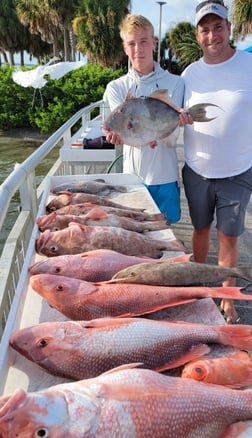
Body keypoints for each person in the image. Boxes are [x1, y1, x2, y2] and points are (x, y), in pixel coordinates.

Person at [181, 0, 252, 323]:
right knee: (199, 229)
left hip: (238, 170)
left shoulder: (248, 66)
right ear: (198, 35)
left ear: (229, 28)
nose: (213, 35)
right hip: (197, 169)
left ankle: (227, 300)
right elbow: (171, 119)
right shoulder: (188, 75)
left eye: (218, 27)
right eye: (205, 29)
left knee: (229, 236)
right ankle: (199, 287)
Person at [103, 14, 185, 224]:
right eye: (131, 43)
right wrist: (115, 136)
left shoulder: (176, 82)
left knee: (165, 236)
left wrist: (182, 118)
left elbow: (168, 125)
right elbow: (123, 126)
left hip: (165, 174)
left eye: (143, 41)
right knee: (134, 233)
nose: (138, 49)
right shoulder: (116, 87)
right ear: (124, 47)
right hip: (132, 177)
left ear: (153, 43)